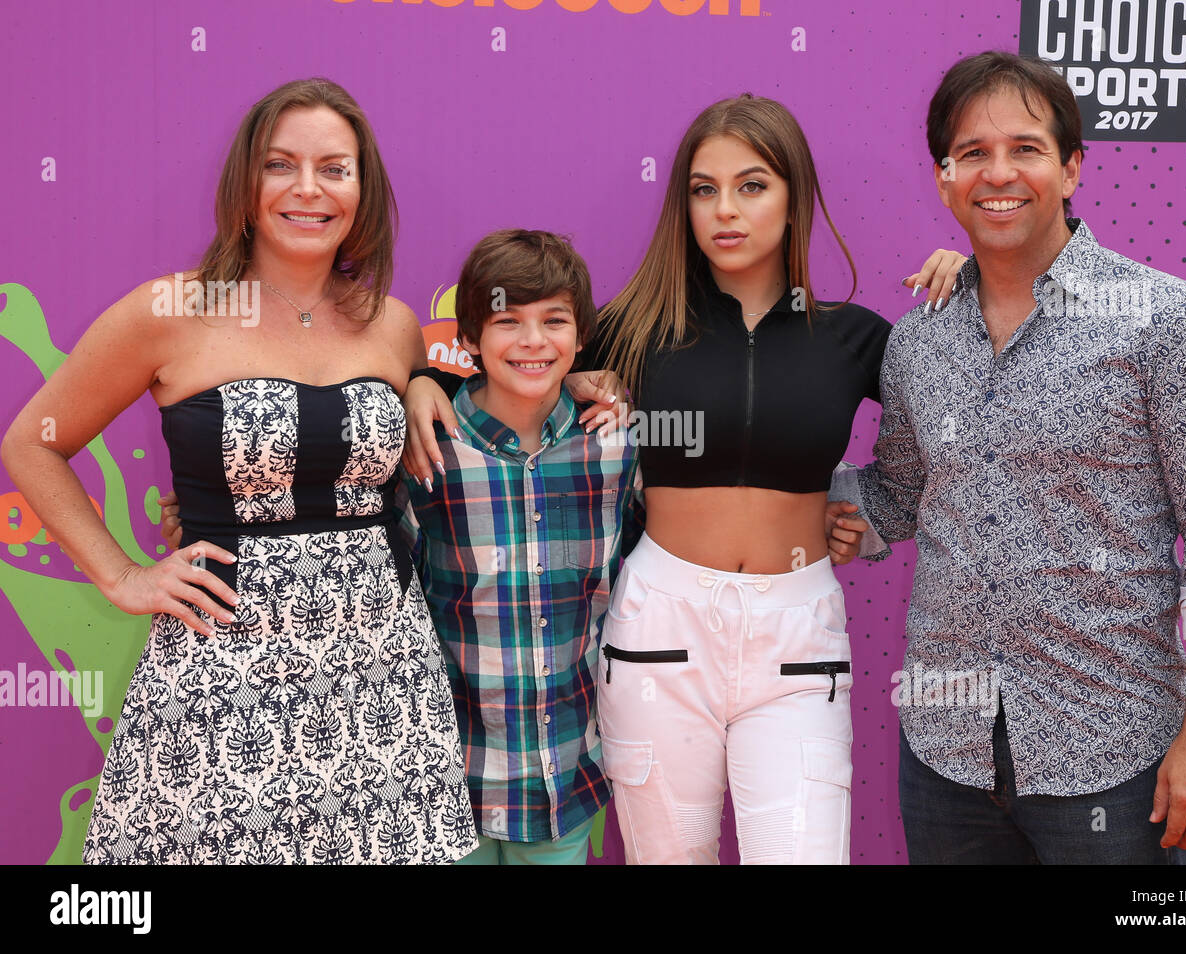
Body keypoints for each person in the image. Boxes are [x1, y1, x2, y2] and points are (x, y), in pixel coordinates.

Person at [405, 94, 966, 865]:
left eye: (752, 185)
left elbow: (966, 419)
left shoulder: (853, 335)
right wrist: (419, 377)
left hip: (797, 639)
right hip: (658, 633)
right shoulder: (632, 324)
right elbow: (518, 353)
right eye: (704, 190)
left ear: (794, 196)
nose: (726, 210)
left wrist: (974, 283)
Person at [2, 78, 477, 864]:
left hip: (379, 670)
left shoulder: (390, 324)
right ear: (244, 184)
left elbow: (456, 390)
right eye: (280, 165)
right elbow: (33, 443)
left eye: (335, 168)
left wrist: (429, 377)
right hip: (225, 667)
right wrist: (123, 577)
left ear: (363, 189)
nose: (308, 189)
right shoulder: (169, 311)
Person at [829, 52, 1186, 864]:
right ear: (943, 178)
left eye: (1026, 149)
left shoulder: (1164, 322)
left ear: (1071, 168)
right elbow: (896, 496)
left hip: (1114, 757)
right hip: (946, 757)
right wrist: (741, 485)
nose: (999, 173)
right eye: (972, 153)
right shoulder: (920, 340)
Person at [392, 229, 638, 865]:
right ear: (468, 339)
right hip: (440, 783)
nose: (533, 341)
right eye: (507, 322)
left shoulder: (615, 447)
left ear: (581, 336)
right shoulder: (424, 450)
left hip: (562, 781)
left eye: (554, 320)